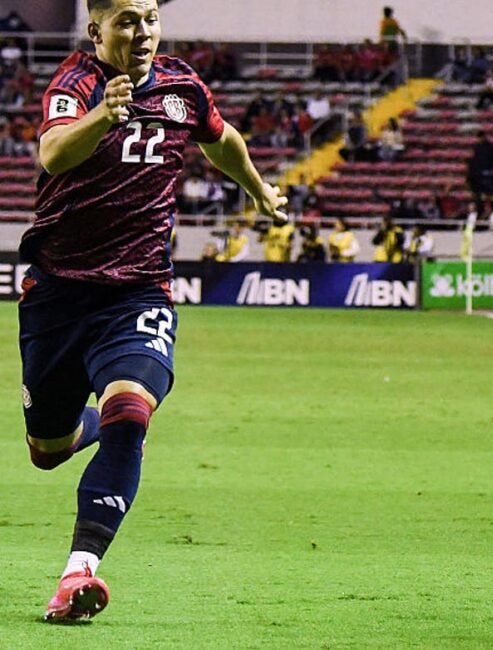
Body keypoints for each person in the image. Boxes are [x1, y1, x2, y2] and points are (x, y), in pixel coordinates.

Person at [24, 0, 287, 622]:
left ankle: (78, 573)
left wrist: (259, 190)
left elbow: (222, 141)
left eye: (149, 18)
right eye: (126, 21)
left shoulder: (181, 85)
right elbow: (54, 153)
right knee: (48, 447)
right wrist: (101, 117)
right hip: (59, 295)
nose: (141, 32)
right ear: (96, 30)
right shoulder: (75, 84)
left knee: (131, 412)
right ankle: (81, 426)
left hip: (140, 291)